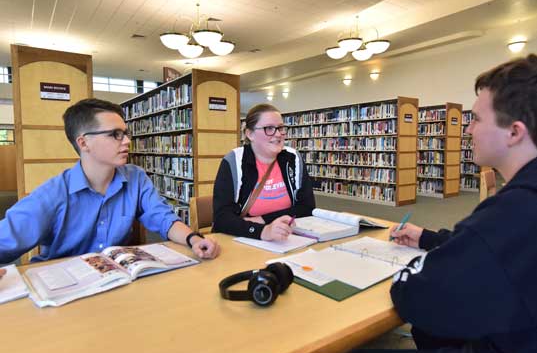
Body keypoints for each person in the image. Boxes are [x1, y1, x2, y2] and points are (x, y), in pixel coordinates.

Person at [343, 53, 537, 353]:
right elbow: (501, 249)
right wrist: (429, 238)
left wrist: (421, 267)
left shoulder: (517, 209)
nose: (466, 130)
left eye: (476, 119)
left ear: (514, 132)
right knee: (436, 333)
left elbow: (416, 297)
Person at [0, 98, 220, 264]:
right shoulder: (54, 193)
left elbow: (162, 218)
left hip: (117, 281)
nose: (127, 141)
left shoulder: (136, 178)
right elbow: (7, 237)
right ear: (84, 143)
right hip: (64, 291)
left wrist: (193, 239)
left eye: (125, 133)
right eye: (115, 134)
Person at [212, 103, 315, 241]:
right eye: (269, 128)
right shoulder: (234, 161)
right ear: (250, 134)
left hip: (286, 239)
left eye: (280, 128)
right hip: (245, 239)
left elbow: (307, 208)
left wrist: (262, 220)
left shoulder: (293, 158)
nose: (278, 134)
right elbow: (222, 219)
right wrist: (263, 231)